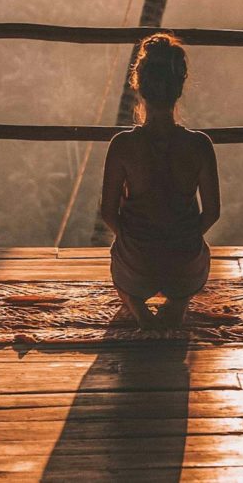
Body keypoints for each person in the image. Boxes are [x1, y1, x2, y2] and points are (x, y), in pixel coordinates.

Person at [99, 33, 220, 329]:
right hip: (184, 265)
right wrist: (183, 237)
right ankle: (179, 301)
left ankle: (137, 307)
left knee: (123, 274)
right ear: (179, 87)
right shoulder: (199, 145)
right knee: (194, 258)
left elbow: (107, 212)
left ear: (139, 86)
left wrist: (133, 240)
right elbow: (213, 212)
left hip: (137, 264)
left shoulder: (123, 146)